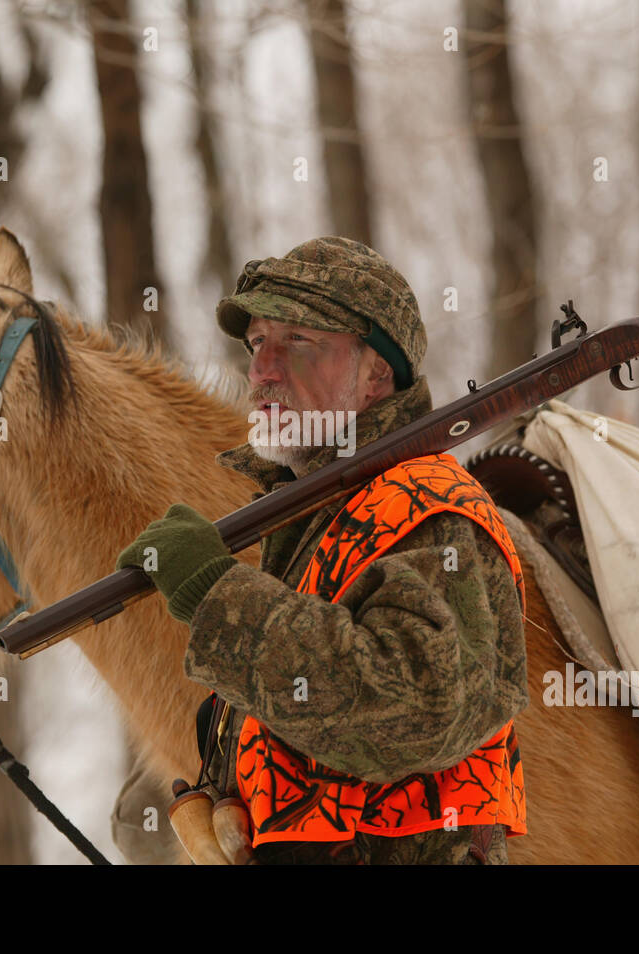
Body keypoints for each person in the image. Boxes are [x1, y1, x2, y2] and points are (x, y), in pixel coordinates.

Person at [115, 236, 529, 864]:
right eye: (257, 343)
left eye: (298, 342)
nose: (263, 370)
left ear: (376, 373)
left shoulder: (429, 506)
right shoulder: (319, 515)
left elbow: (417, 710)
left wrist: (217, 596)